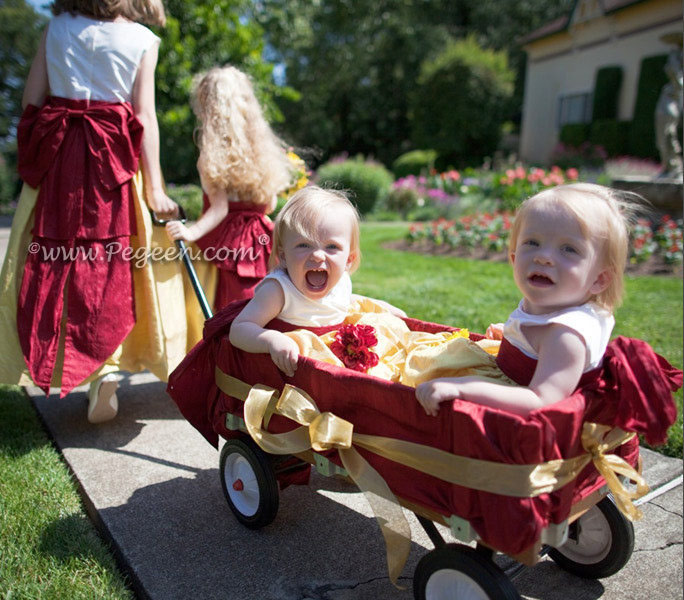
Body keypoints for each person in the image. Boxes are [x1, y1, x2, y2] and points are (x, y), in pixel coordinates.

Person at [0, 0, 187, 423]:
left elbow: (31, 104)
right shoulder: (142, 39)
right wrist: (155, 187)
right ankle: (106, 370)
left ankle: (62, 360)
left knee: (52, 262)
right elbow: (145, 116)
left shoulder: (56, 28)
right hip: (112, 162)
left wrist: (31, 161)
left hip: (59, 158)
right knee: (112, 266)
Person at [416, 183, 632, 418]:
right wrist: (517, 341)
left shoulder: (565, 335)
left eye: (568, 249)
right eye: (532, 242)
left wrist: (462, 389)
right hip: (510, 382)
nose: (543, 256)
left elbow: (541, 401)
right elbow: (538, 340)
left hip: (522, 422)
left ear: (599, 279)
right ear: (514, 257)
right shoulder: (556, 303)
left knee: (423, 379)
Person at [229, 186, 405, 376]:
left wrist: (379, 306)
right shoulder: (278, 291)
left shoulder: (341, 281)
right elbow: (239, 329)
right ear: (284, 256)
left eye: (331, 246)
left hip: (330, 370)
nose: (318, 255)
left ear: (348, 260)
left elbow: (343, 300)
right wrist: (272, 340)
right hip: (289, 376)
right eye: (304, 245)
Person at [165, 65, 293, 314]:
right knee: (271, 295)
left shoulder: (213, 156)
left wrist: (190, 232)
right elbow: (269, 205)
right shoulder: (262, 152)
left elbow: (219, 209)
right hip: (261, 238)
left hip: (230, 244)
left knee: (230, 305)